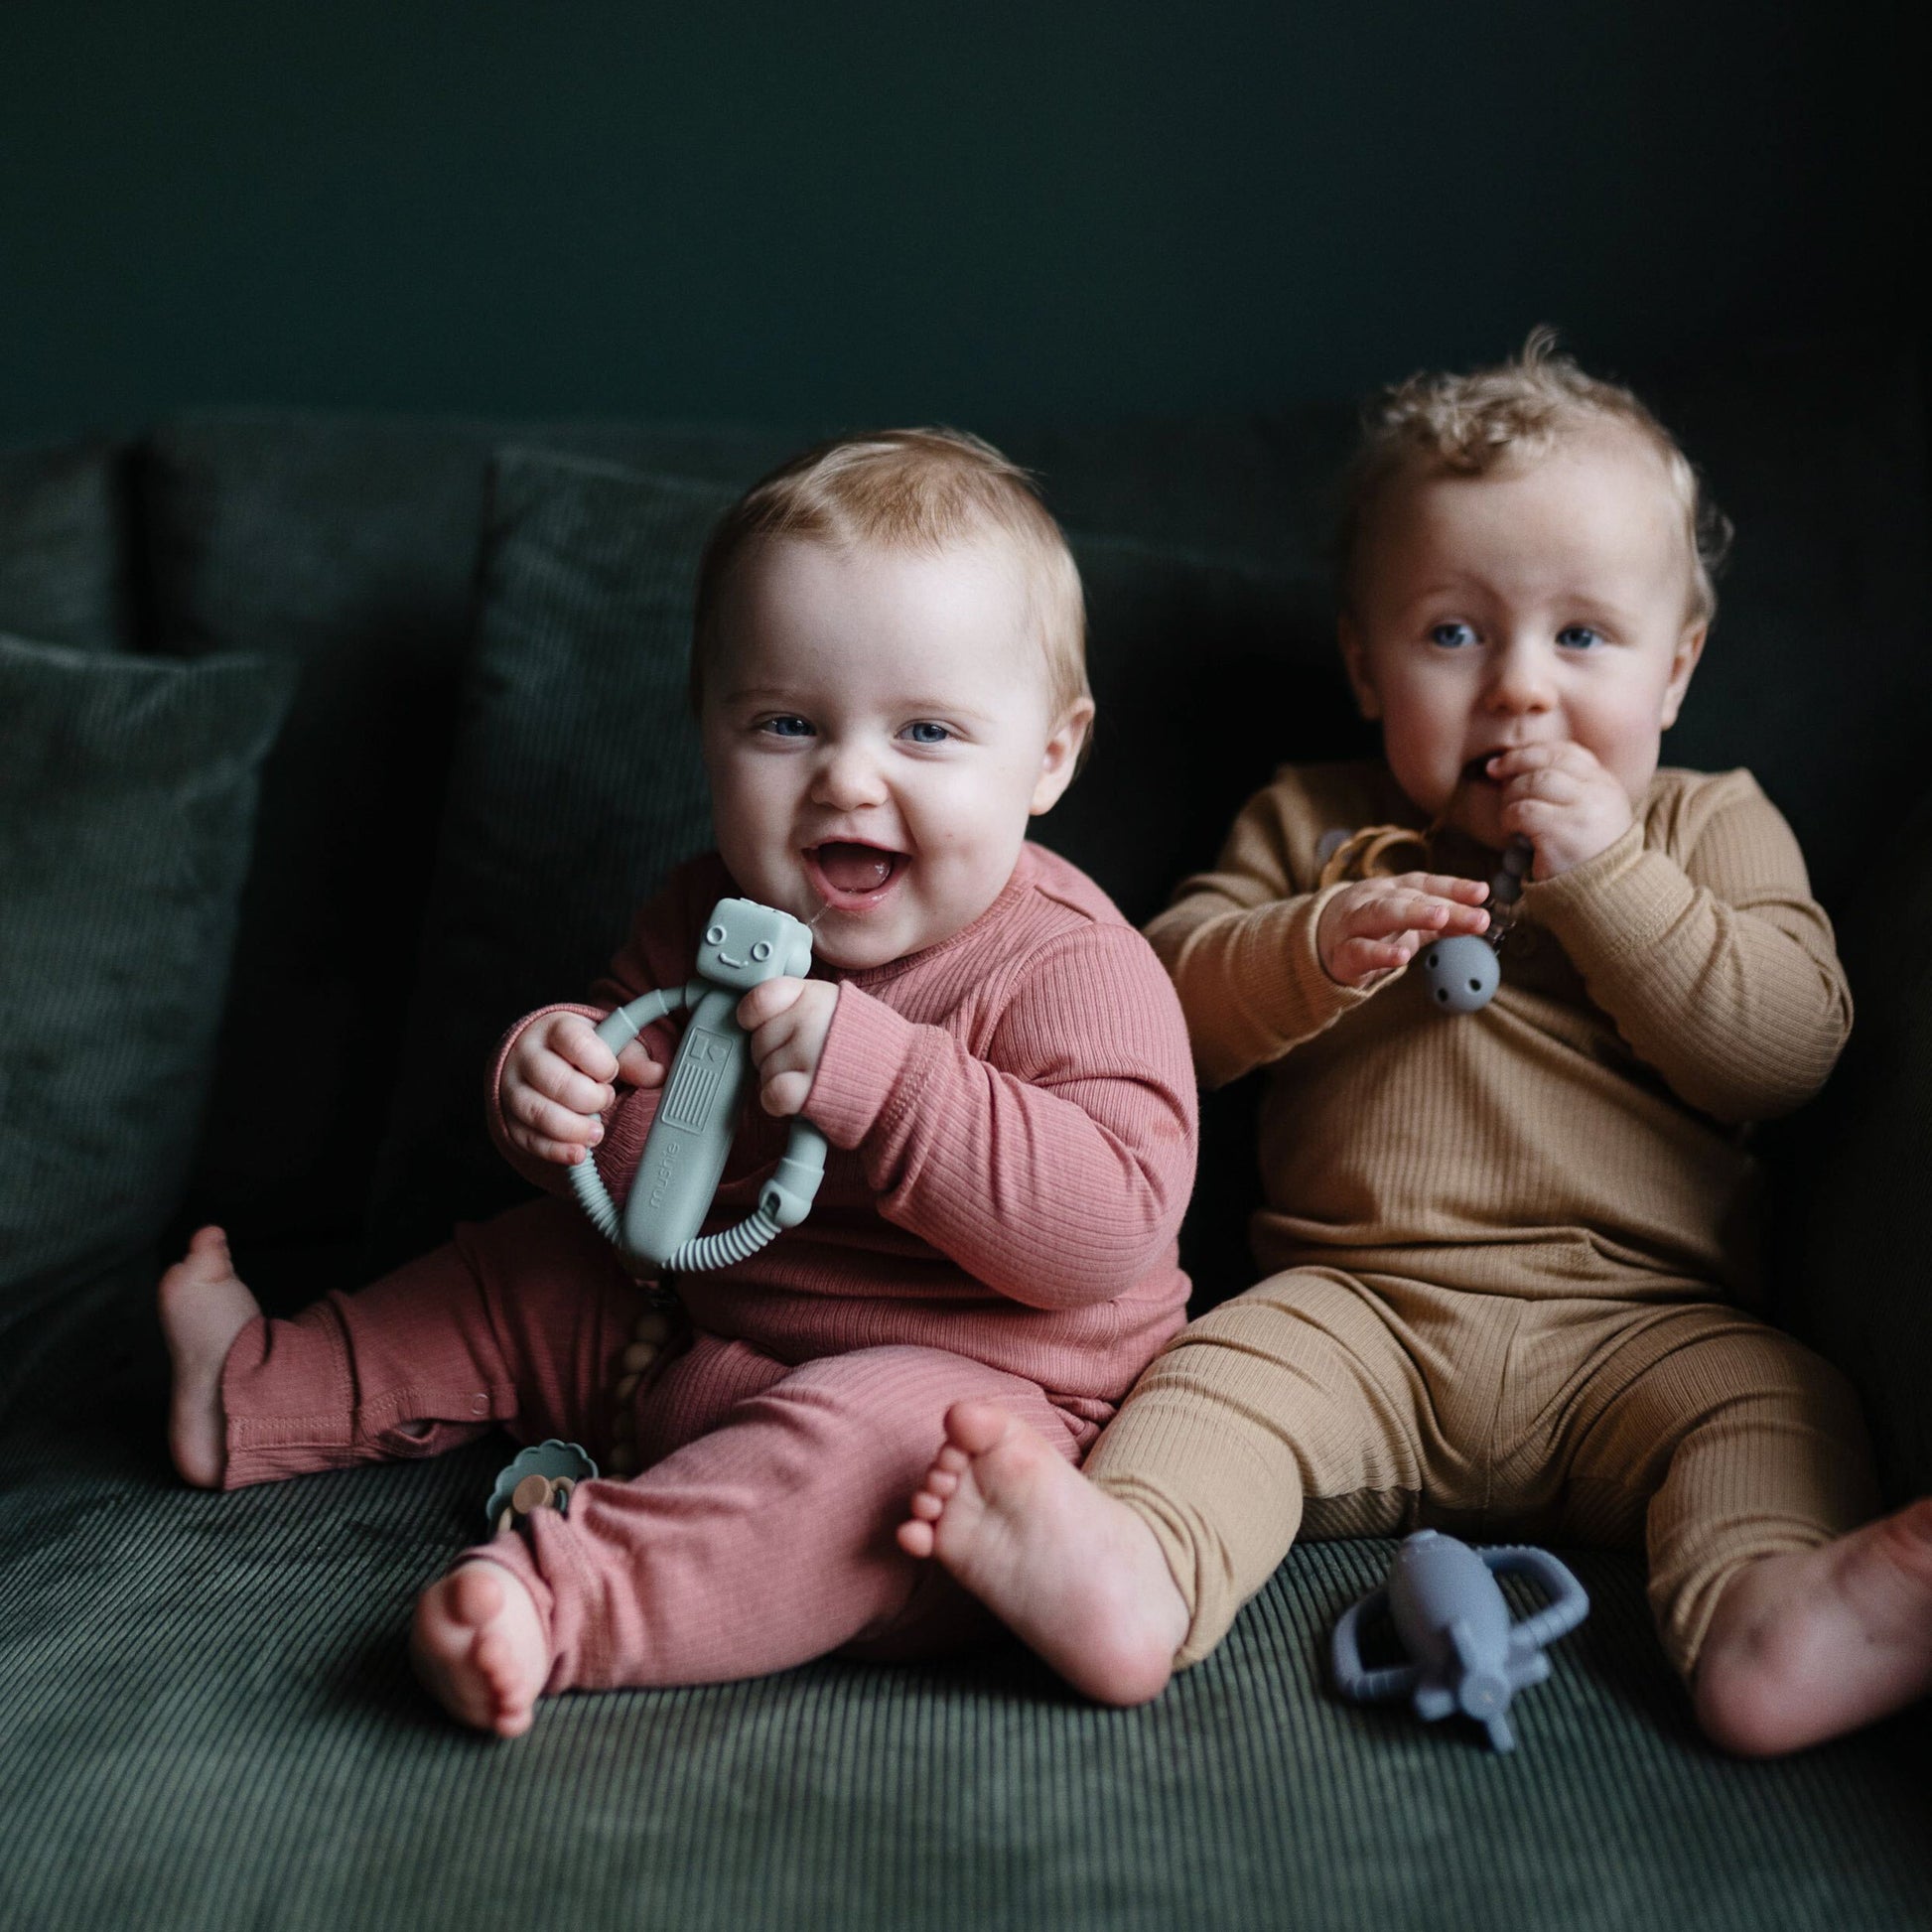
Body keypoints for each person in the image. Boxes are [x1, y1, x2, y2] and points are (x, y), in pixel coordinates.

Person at [900, 335, 1932, 1756]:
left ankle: (1777, 1624)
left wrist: (1614, 874)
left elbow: (1784, 1051)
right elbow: (1153, 1018)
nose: (1518, 689)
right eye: (1453, 634)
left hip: (1645, 1326)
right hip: (1355, 1308)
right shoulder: (1310, 821)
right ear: (1366, 664)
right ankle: (1133, 1570)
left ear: (1676, 670)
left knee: (1777, 1406)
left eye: (1582, 638)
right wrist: (1311, 942)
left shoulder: (1709, 822)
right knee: (1211, 1381)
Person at [160, 428, 1197, 1737]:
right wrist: (554, 1090)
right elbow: (630, 1134)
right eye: (786, 724)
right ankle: (257, 1387)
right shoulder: (709, 911)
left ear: (1048, 755)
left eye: (926, 731)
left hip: (975, 1396)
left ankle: (557, 1602)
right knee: (523, 1274)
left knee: (875, 1446)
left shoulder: (1073, 966)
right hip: (692, 1329)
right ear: (707, 731)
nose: (848, 777)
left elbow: (1106, 1231)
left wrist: (891, 1085)